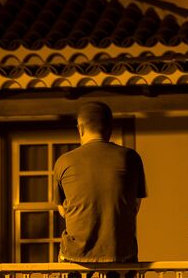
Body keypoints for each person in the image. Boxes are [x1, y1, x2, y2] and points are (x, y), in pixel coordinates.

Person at [54, 101, 147, 263]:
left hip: (75, 254)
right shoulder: (131, 158)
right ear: (110, 128)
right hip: (120, 251)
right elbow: (135, 205)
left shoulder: (64, 162)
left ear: (80, 128)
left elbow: (62, 209)